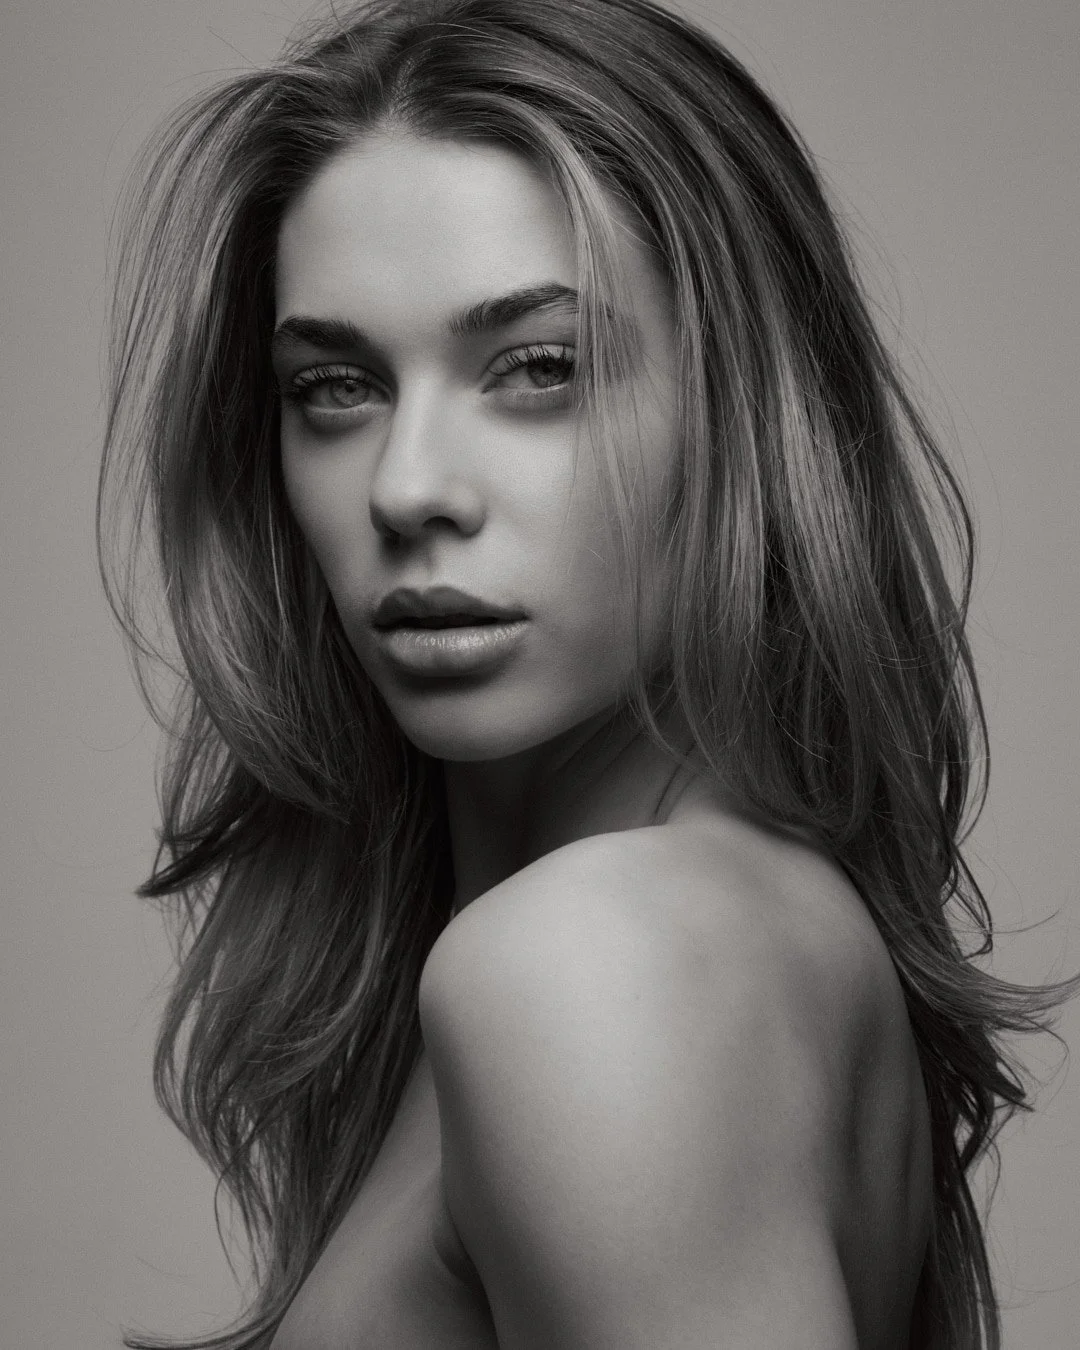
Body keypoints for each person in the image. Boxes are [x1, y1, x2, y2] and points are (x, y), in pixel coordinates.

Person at [98, 1, 1073, 1346]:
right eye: (336, 386)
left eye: (539, 368)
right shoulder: (723, 930)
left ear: (744, 412)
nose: (407, 487)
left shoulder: (592, 966)